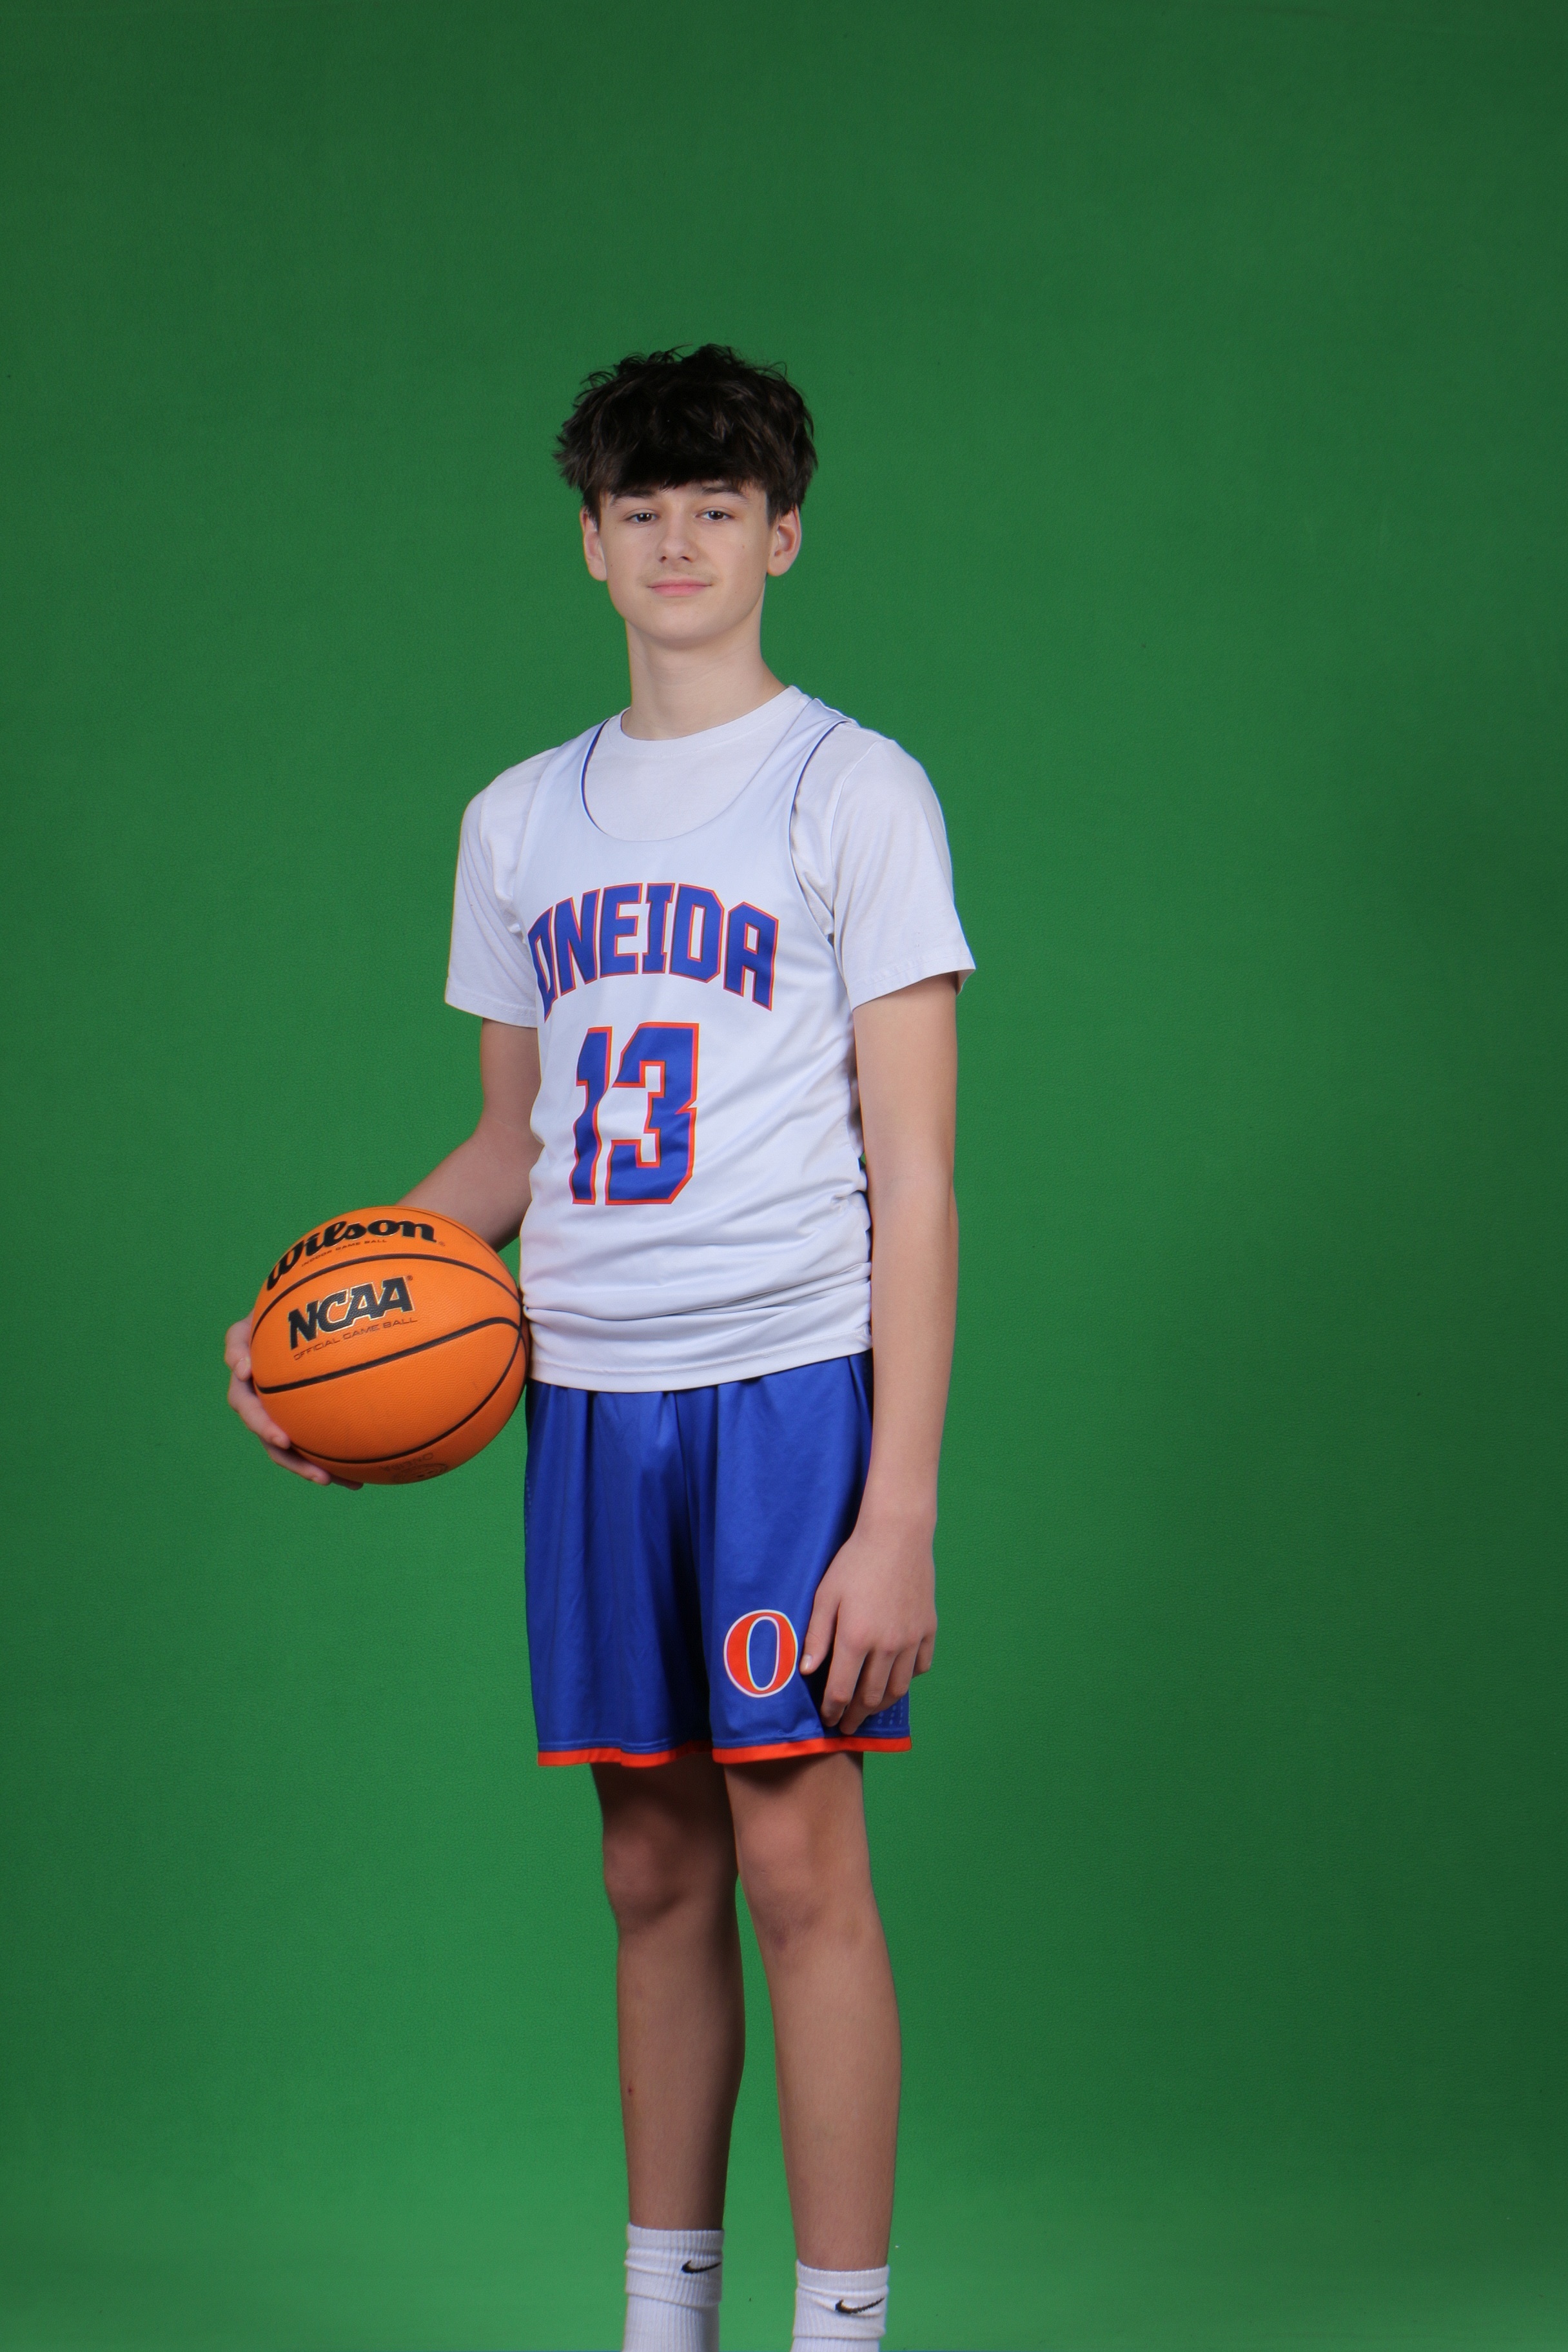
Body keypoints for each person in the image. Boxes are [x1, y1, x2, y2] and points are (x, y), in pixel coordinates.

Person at [224, 345, 972, 2352]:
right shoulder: (517, 819)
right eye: (642, 510)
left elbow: (918, 1175)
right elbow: (507, 1148)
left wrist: (897, 1509)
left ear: (781, 537)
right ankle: (666, 2322)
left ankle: (841, 2330)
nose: (678, 541)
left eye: (718, 508)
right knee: (649, 1864)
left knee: (799, 1864)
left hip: (790, 1391)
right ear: (589, 542)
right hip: (590, 1397)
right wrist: (311, 1321)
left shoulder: (853, 788)